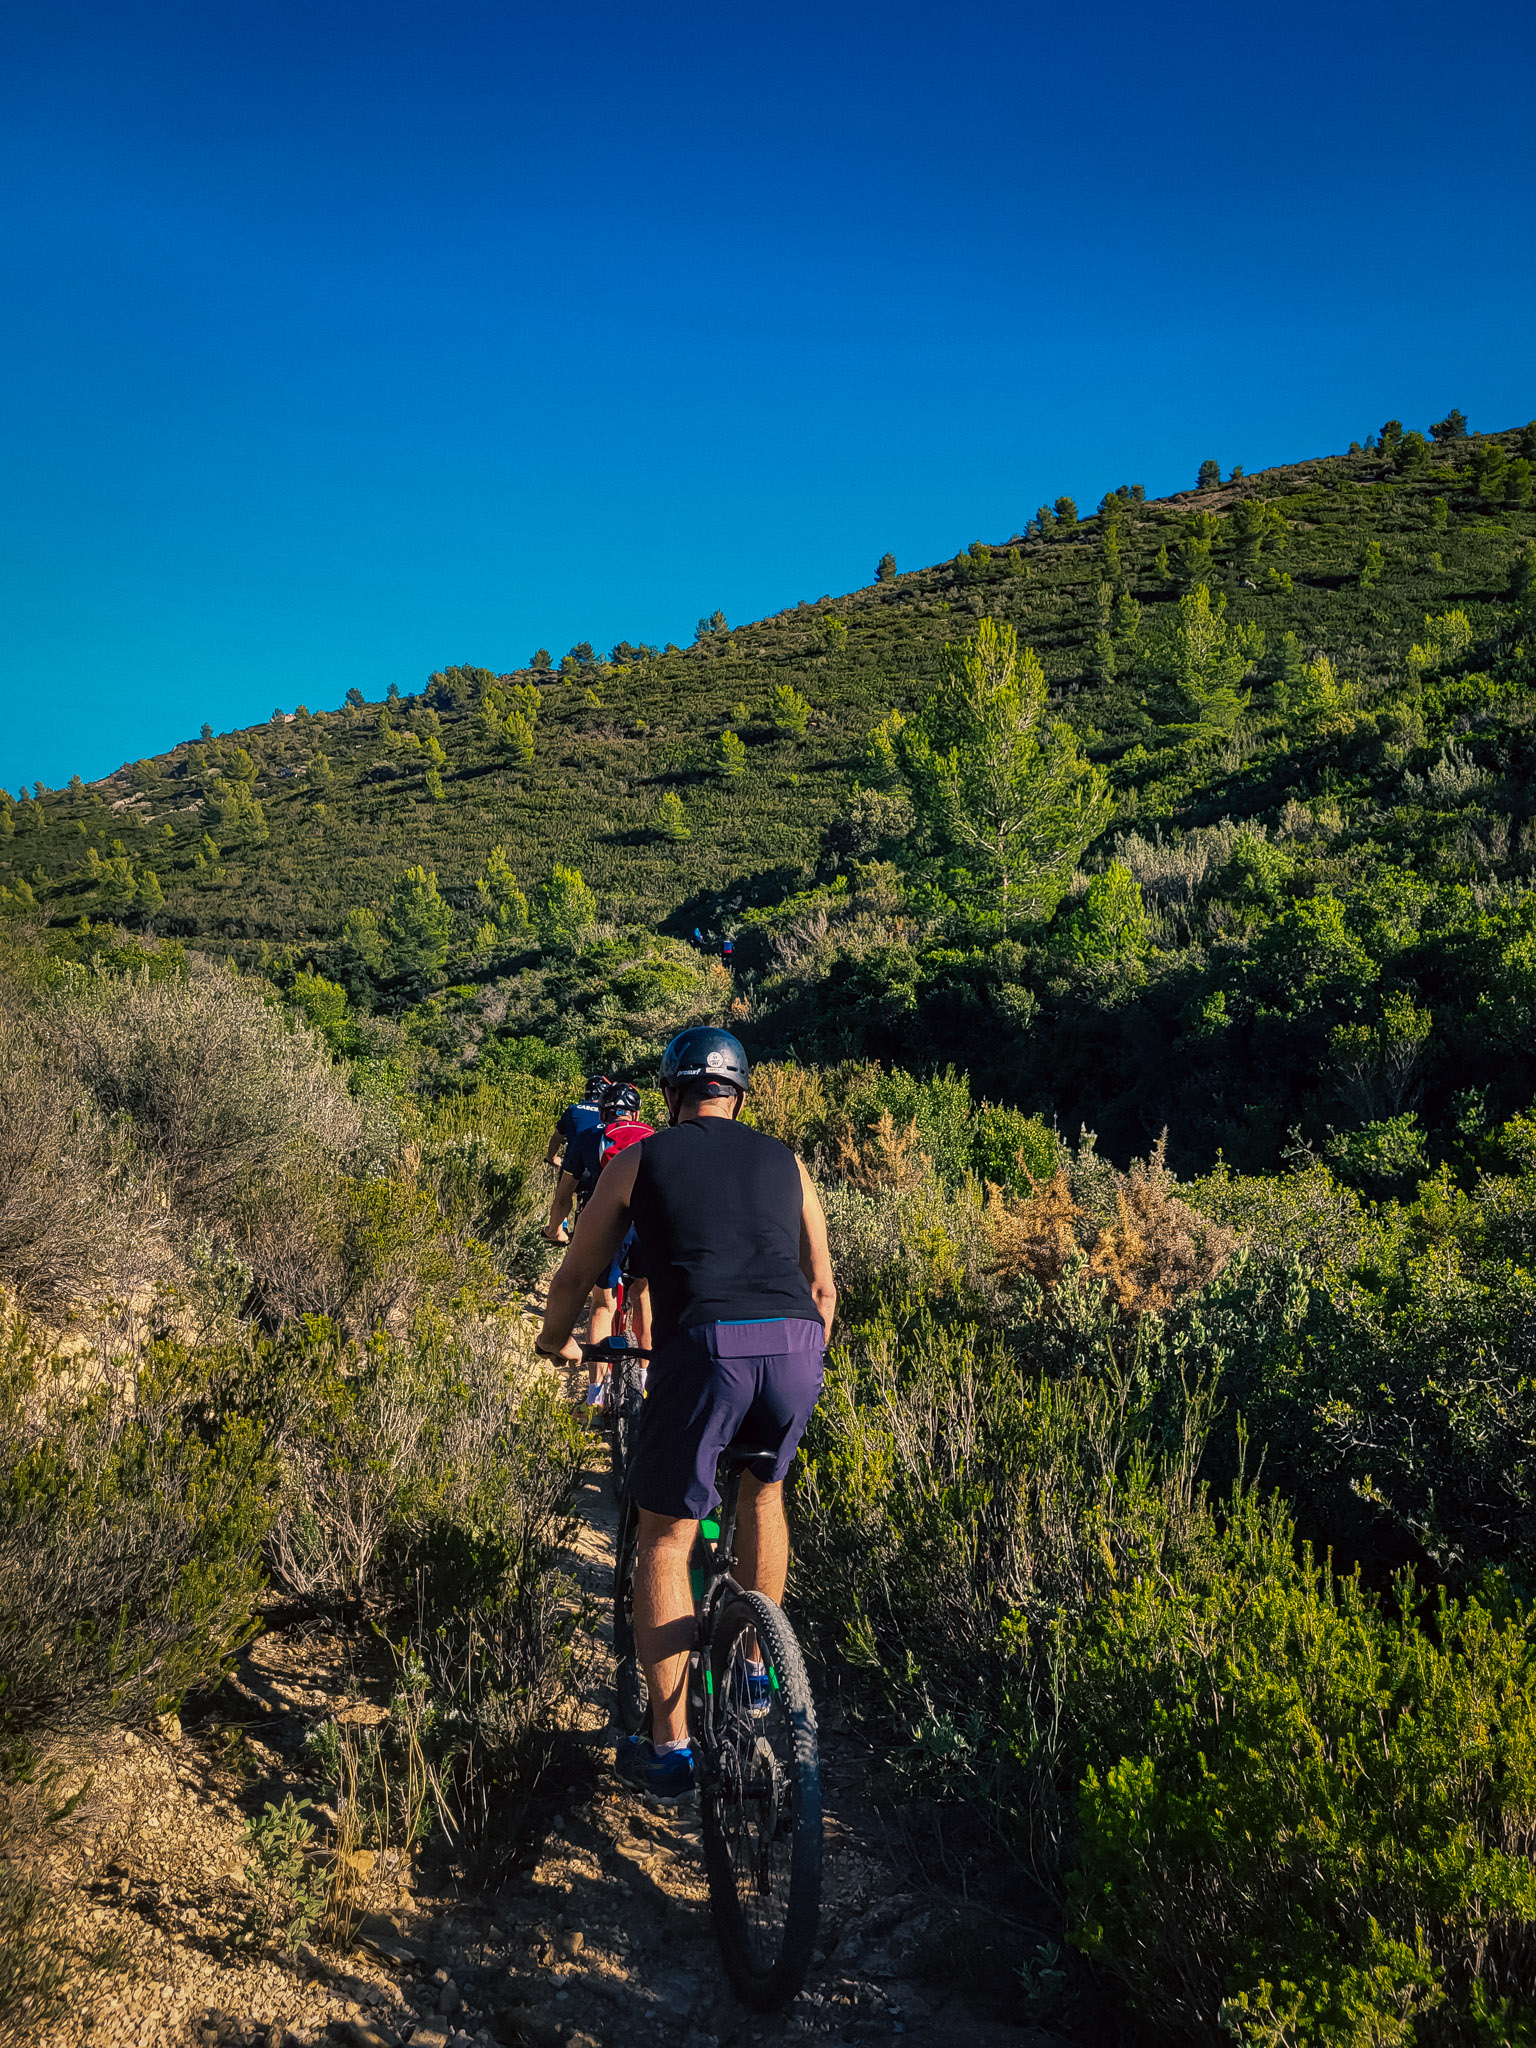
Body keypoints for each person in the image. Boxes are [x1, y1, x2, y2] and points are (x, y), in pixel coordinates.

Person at [535, 1027, 836, 1802]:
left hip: (706, 1347)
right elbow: (825, 1289)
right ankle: (756, 1663)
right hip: (798, 1343)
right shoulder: (788, 1162)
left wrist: (552, 1343)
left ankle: (669, 1749)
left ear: (672, 1092)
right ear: (739, 1093)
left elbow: (576, 1272)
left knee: (666, 1536)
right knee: (761, 1491)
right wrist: (798, 1361)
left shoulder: (642, 1157)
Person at [546, 1081, 655, 1406]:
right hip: (646, 1228)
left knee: (603, 1305)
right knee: (643, 1297)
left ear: (603, 1111)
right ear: (636, 1113)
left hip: (605, 1227)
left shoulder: (588, 1138)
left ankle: (596, 1396)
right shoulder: (654, 1138)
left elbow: (564, 1197)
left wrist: (555, 1229)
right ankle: (646, 1383)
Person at [544, 1072, 609, 1171]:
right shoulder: (608, 1114)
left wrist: (551, 1158)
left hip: (572, 1167)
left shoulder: (573, 1109)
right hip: (599, 1168)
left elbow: (557, 1138)